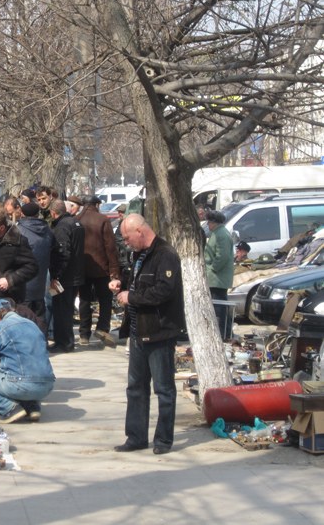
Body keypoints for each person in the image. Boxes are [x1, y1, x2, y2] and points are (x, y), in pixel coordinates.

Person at [109, 214, 186, 455]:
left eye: (126, 237)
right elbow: (138, 282)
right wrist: (122, 283)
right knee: (135, 387)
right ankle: (136, 437)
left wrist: (132, 298)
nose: (125, 242)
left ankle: (163, 439)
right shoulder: (140, 254)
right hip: (138, 331)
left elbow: (164, 290)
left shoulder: (166, 254)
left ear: (139, 231)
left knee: (163, 388)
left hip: (159, 331)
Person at [0, 299, 56, 423]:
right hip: (47, 385)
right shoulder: (32, 325)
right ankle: (32, 405)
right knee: (20, 369)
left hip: (22, 385)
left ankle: (9, 409)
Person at [77, 195, 119, 347]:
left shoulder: (76, 219)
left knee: (84, 300)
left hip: (81, 267)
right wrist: (114, 269)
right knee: (105, 299)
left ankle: (83, 334)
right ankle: (102, 328)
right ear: (96, 205)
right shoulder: (103, 220)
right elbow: (110, 246)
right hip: (101, 268)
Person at [48, 199, 85, 353]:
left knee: (61, 310)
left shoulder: (62, 227)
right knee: (67, 310)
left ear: (53, 212)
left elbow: (63, 254)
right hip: (76, 274)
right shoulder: (77, 224)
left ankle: (64, 342)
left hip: (65, 276)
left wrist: (55, 275)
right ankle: (65, 340)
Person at [16, 202, 56, 333]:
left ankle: (27, 343)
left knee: (24, 314)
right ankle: (41, 341)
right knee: (39, 313)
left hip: (23, 280)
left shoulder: (18, 230)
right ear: (38, 214)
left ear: (22, 213)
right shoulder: (47, 230)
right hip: (41, 278)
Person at [205, 210, 235, 337]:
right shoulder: (217, 233)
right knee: (219, 307)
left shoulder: (221, 235)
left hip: (218, 279)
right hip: (216, 278)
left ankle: (223, 333)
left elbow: (222, 256)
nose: (207, 224)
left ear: (215, 223)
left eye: (210, 222)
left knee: (220, 308)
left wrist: (213, 269)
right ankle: (224, 332)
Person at [114, 203, 130, 274]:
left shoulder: (128, 223)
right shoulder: (121, 223)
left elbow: (122, 240)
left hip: (125, 257)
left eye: (122, 212)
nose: (120, 214)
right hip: (120, 256)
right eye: (119, 212)